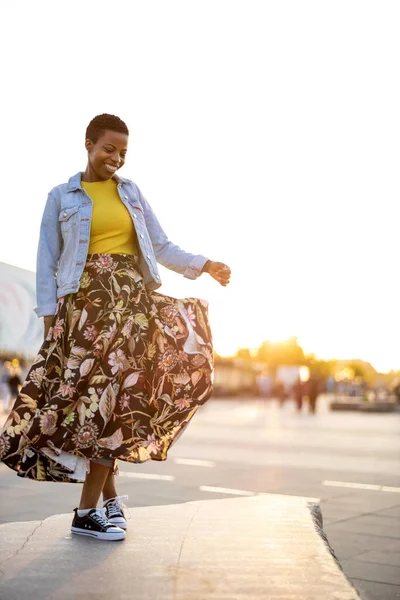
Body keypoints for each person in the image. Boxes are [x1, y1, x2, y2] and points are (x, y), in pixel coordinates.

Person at [0, 114, 231, 541]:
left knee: (121, 399)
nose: (116, 159)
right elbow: (46, 258)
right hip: (84, 308)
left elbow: (160, 246)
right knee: (96, 402)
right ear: (88, 144)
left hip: (132, 308)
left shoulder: (131, 192)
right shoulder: (61, 196)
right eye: (109, 149)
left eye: (123, 153)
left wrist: (203, 264)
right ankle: (91, 510)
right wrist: (50, 314)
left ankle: (99, 505)